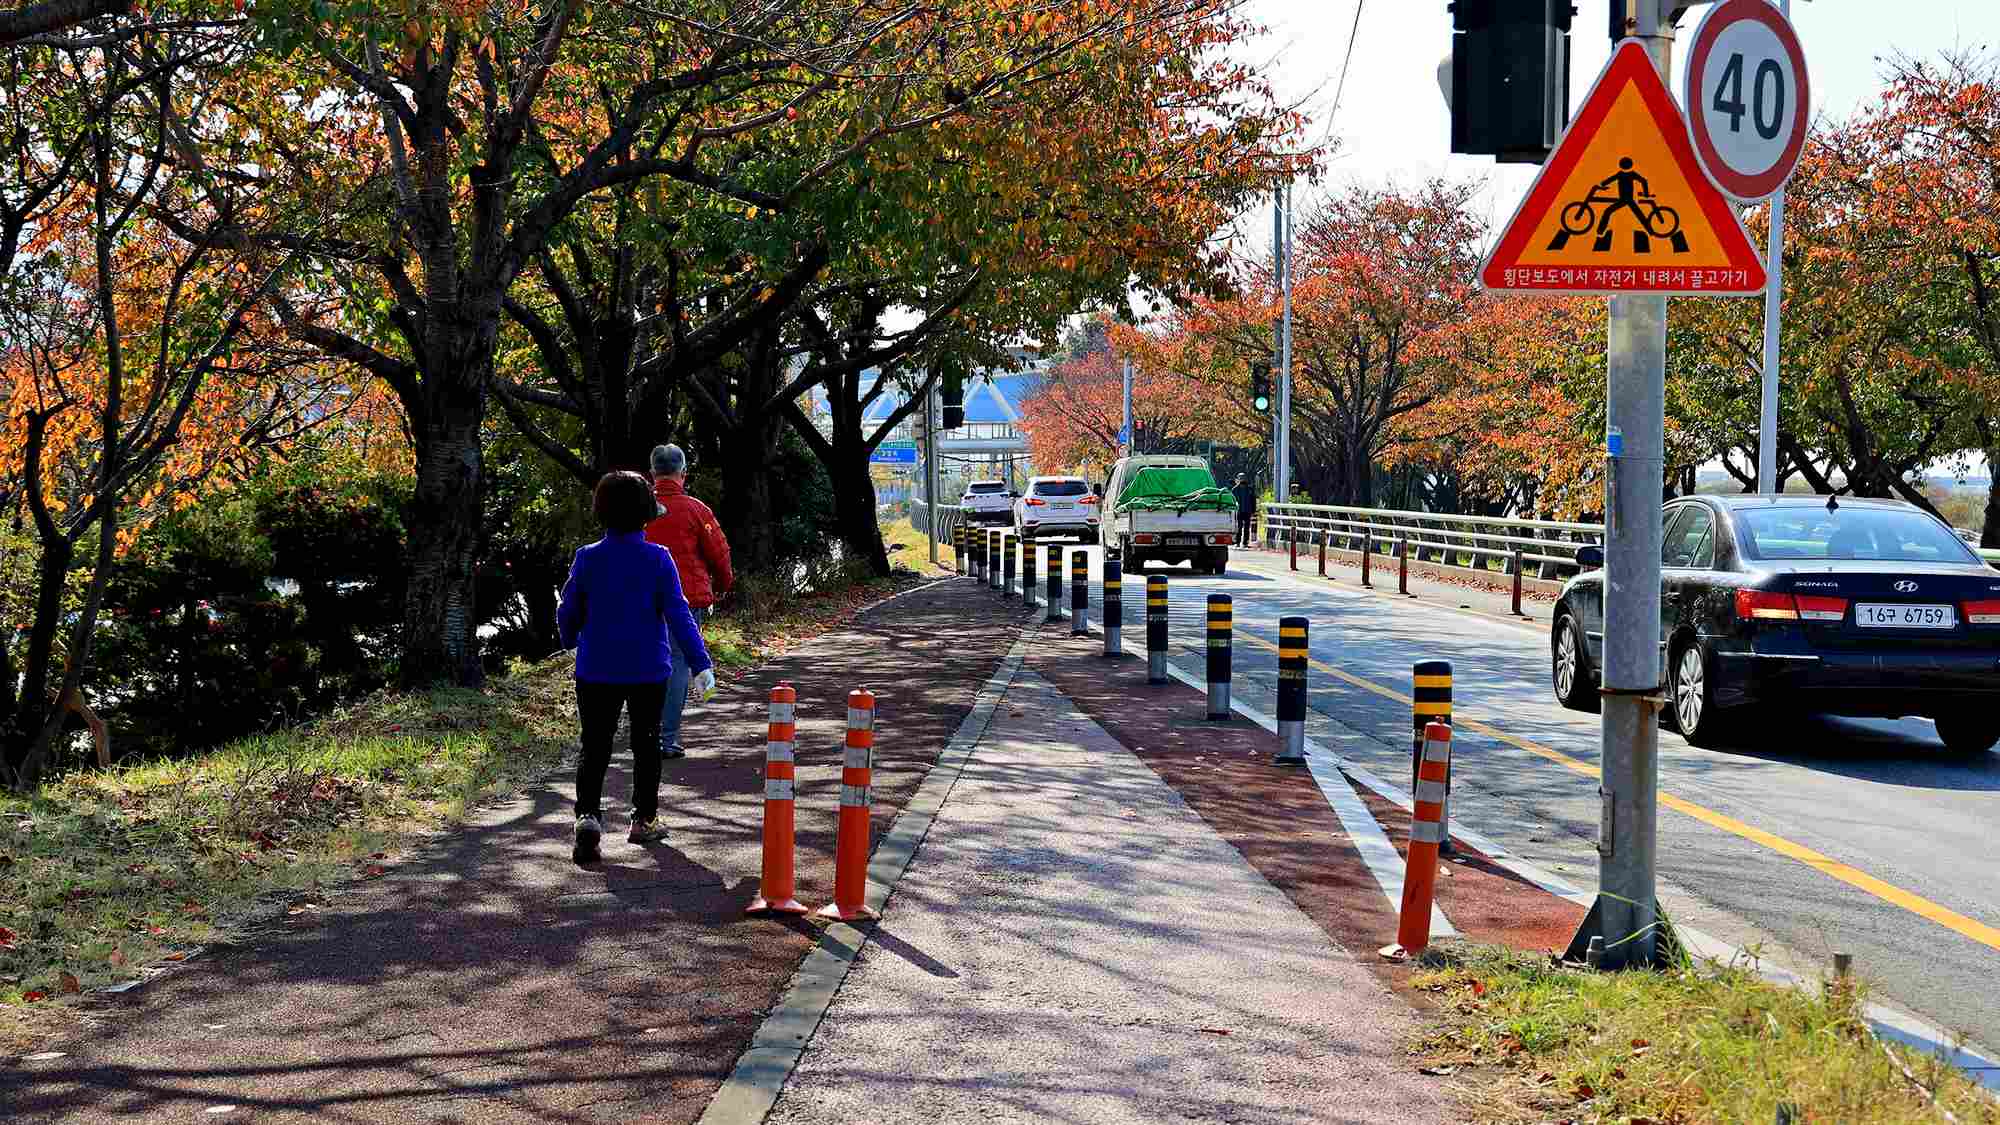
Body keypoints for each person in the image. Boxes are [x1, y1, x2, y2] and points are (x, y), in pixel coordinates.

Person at [557, 471, 716, 865]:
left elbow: (569, 609)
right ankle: (643, 819)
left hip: (596, 667)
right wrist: (700, 664)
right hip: (648, 669)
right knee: (647, 744)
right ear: (647, 515)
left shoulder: (587, 557)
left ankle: (588, 817)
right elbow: (680, 616)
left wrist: (568, 636)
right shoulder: (658, 559)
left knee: (594, 745)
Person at [643, 443, 735, 760]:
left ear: (653, 473)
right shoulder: (696, 509)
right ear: (683, 473)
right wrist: (723, 584)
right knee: (678, 664)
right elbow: (719, 553)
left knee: (644, 663)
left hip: (640, 599)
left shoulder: (637, 508)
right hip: (687, 599)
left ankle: (644, 733)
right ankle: (666, 738)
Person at [1231, 474, 1257, 547]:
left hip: (1247, 511)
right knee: (1239, 527)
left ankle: (1244, 542)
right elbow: (1232, 501)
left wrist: (1253, 511)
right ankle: (1238, 542)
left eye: (1243, 478)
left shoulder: (1249, 489)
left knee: (1246, 527)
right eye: (1241, 478)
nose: (1242, 480)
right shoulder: (1235, 489)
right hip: (1239, 511)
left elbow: (1253, 500)